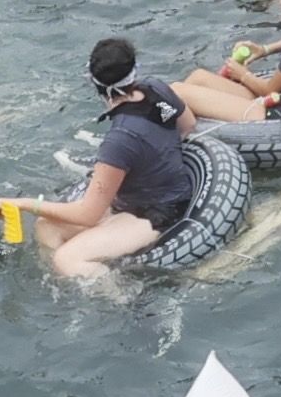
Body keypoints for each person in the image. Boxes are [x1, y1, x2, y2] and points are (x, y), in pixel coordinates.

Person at [17, 43, 208, 277]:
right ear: (133, 69)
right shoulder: (156, 88)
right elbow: (188, 125)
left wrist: (25, 204)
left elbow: (88, 215)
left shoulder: (120, 140)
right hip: (139, 198)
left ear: (94, 82)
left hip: (156, 213)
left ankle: (122, 301)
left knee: (66, 259)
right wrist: (155, 153)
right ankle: (65, 283)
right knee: (46, 226)